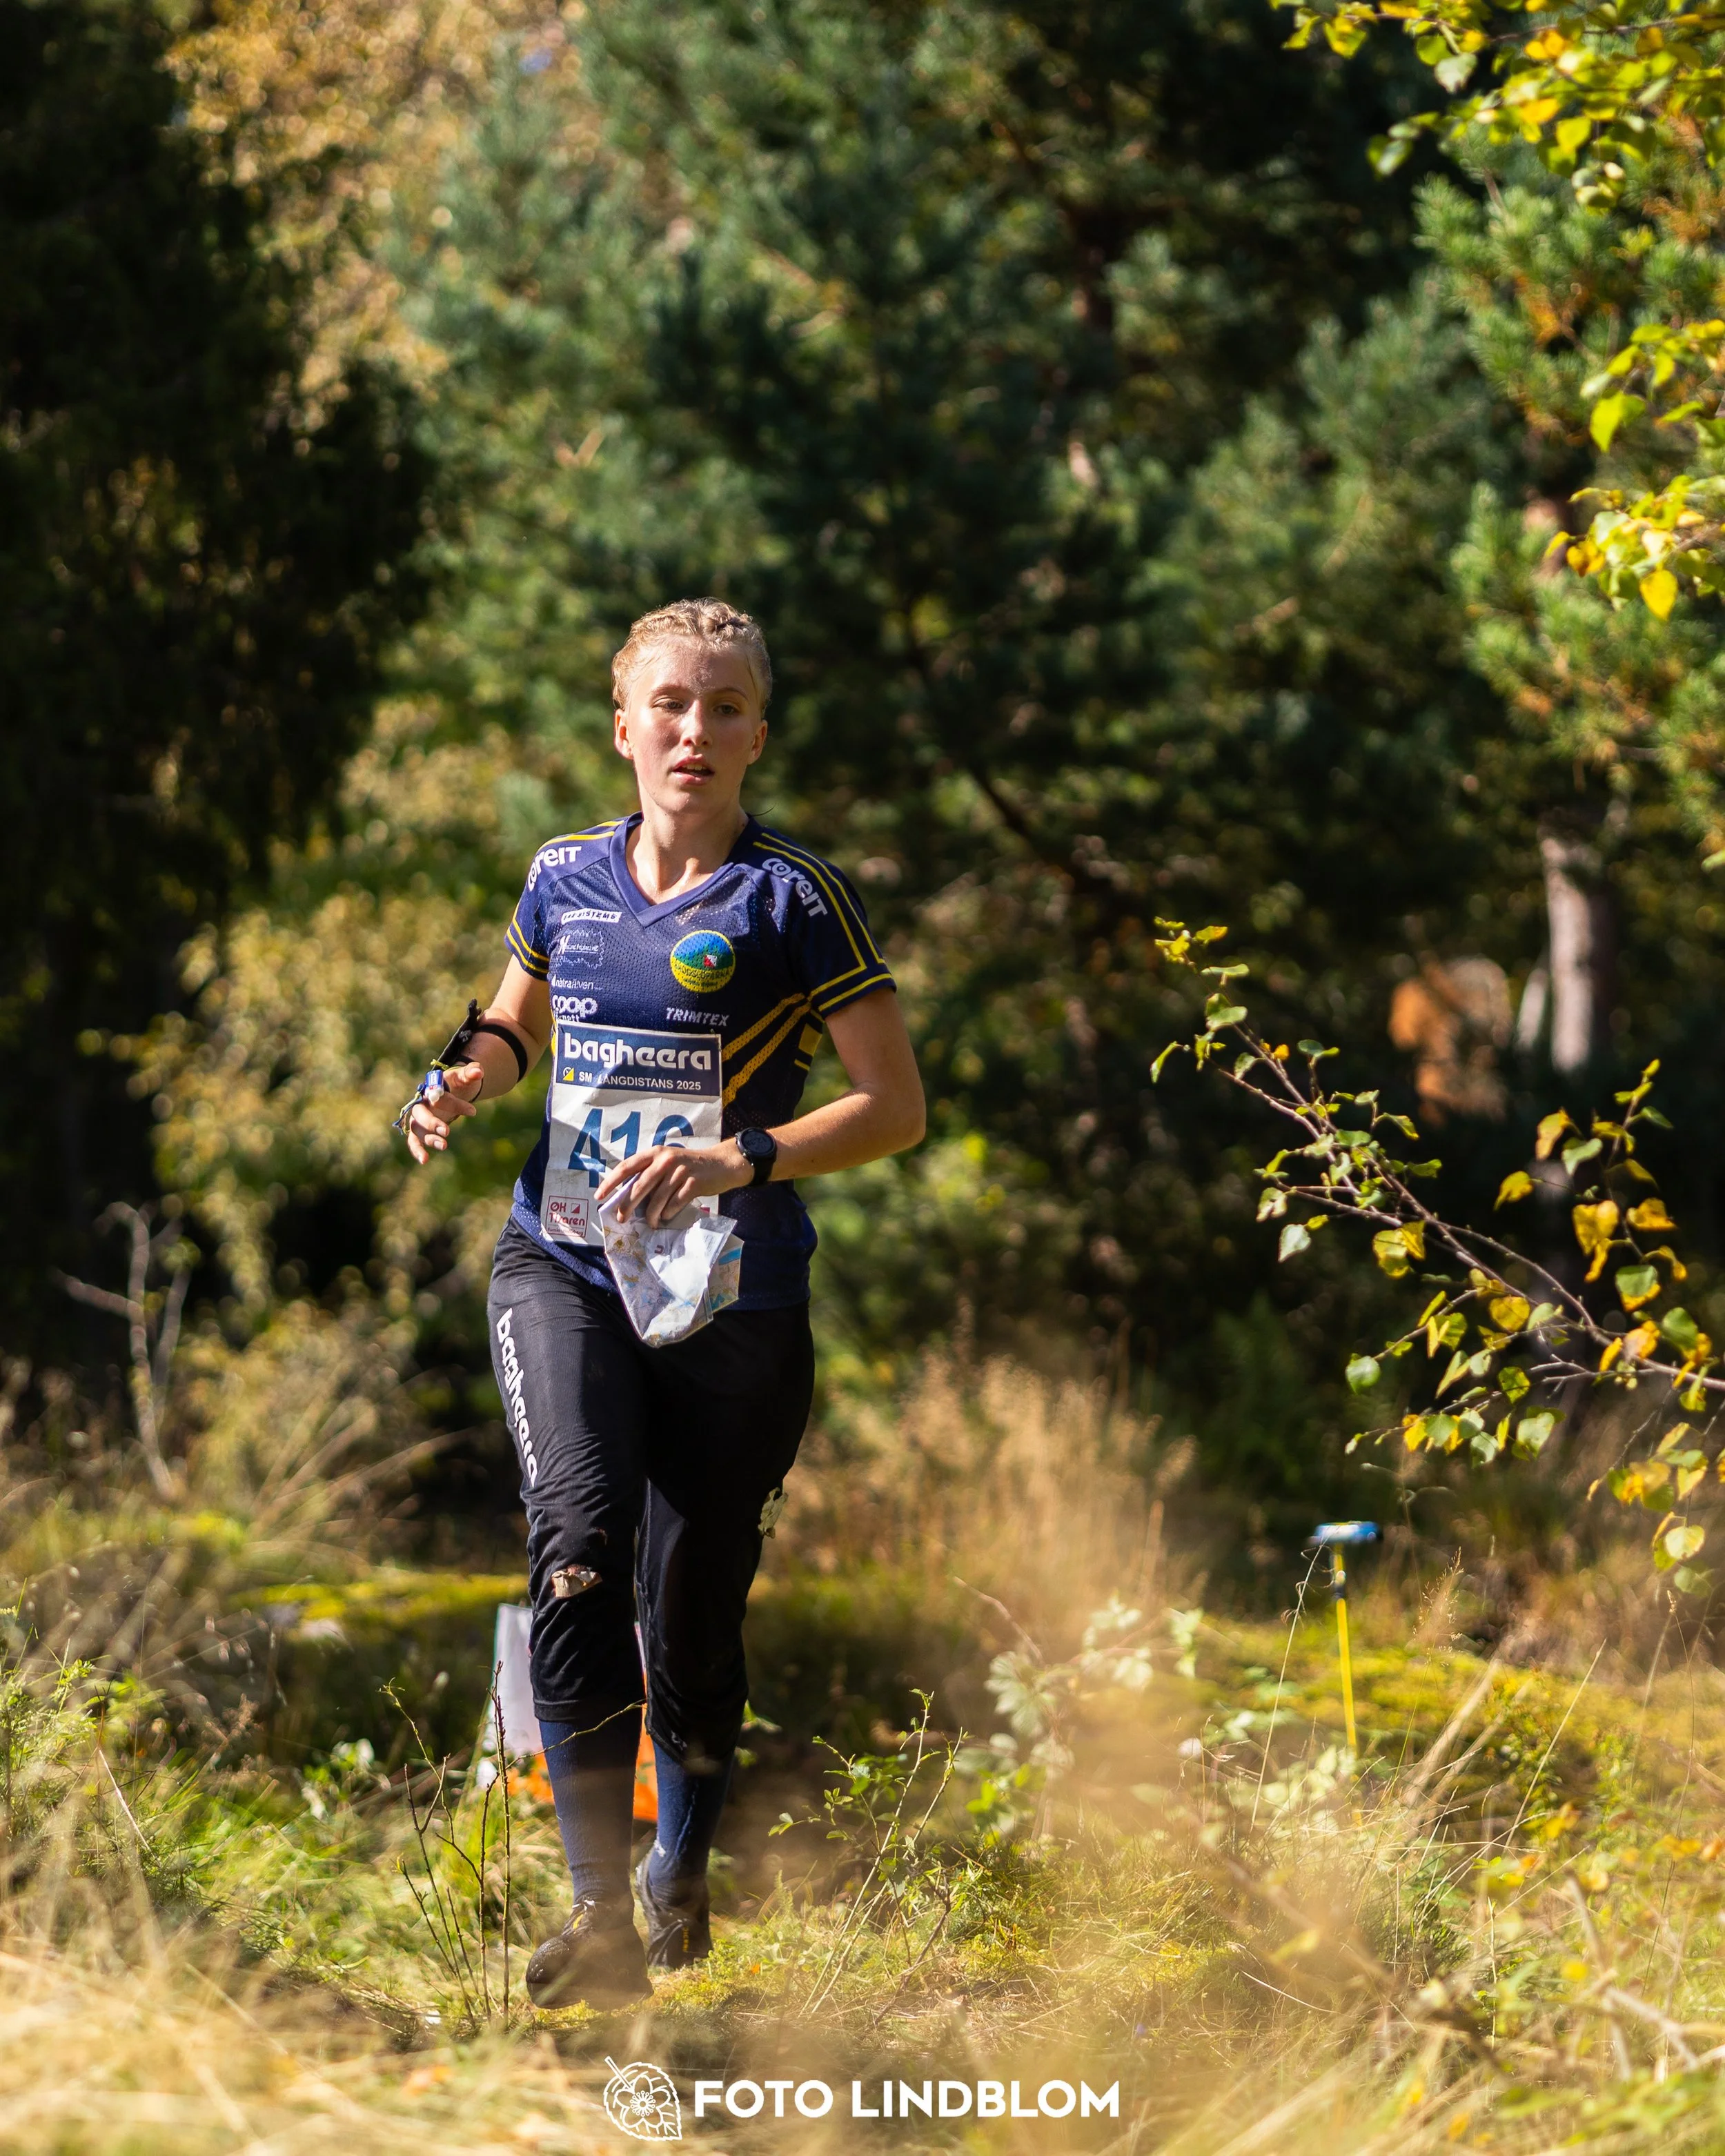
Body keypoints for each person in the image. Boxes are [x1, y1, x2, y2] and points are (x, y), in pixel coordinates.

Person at [398, 598, 925, 2006]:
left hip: (727, 1295)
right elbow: (514, 1022)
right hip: (561, 1259)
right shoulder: (563, 875)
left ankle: (678, 1868)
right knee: (574, 1543)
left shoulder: (791, 898)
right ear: (621, 721)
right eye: (670, 704)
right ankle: (599, 1917)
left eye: (725, 706)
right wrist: (458, 1073)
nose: (695, 731)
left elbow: (893, 1106)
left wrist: (740, 1152)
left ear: (757, 730)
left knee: (693, 1601)